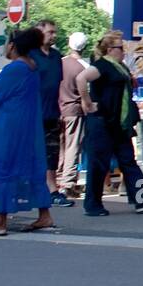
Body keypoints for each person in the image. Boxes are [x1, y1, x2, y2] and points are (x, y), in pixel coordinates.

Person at [0, 28, 57, 236]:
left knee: (3, 167)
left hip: (8, 127)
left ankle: (0, 222)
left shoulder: (15, 69)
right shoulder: (33, 67)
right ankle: (44, 214)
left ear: (13, 46)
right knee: (30, 167)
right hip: (28, 126)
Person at [76, 31, 143, 217]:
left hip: (119, 123)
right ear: (110, 49)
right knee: (98, 164)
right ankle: (92, 205)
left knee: (128, 160)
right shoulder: (102, 65)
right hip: (102, 121)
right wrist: (87, 102)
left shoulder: (120, 66)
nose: (123, 51)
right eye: (120, 48)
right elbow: (81, 78)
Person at [28, 19, 72, 207]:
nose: (54, 35)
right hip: (32, 112)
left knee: (52, 152)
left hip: (52, 111)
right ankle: (34, 188)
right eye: (50, 32)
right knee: (33, 151)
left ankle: (52, 189)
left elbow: (58, 84)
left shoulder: (55, 56)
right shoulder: (30, 55)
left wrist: (61, 108)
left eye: (55, 32)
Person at [57, 31, 90, 199]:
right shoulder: (83, 67)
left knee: (61, 147)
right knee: (72, 147)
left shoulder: (60, 63)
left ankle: (57, 179)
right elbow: (86, 94)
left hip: (58, 110)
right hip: (75, 111)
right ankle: (68, 184)